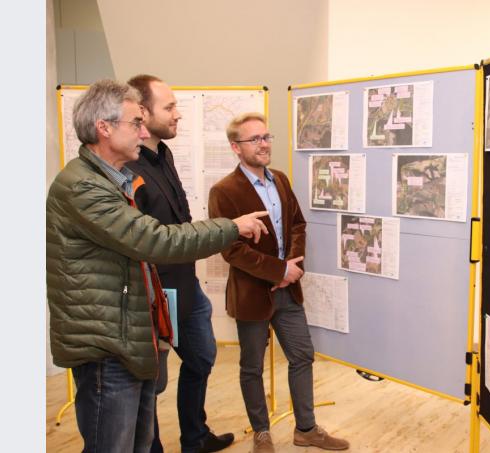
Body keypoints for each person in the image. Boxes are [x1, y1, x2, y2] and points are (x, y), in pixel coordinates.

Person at [46, 79, 269, 453]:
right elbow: (156, 240)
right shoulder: (83, 187)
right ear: (104, 127)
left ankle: (194, 436)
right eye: (135, 123)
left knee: (138, 441)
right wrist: (232, 226)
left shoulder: (114, 179)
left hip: (127, 331)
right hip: (107, 343)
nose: (143, 131)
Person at [208, 113, 349, 452]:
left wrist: (292, 266)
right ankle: (262, 433)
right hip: (252, 294)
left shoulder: (281, 180)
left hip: (288, 289)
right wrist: (277, 271)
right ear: (236, 147)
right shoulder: (223, 191)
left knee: (302, 356)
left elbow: (298, 224)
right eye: (254, 139)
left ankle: (306, 429)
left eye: (266, 137)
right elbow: (230, 249)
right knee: (252, 367)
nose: (264, 144)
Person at [126, 74, 234, 453]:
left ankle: (195, 437)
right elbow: (141, 241)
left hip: (186, 285)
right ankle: (151, 447)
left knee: (202, 358)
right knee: (151, 383)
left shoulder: (164, 154)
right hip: (153, 294)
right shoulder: (127, 167)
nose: (178, 114)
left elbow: (179, 215)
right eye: (169, 107)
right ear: (142, 112)